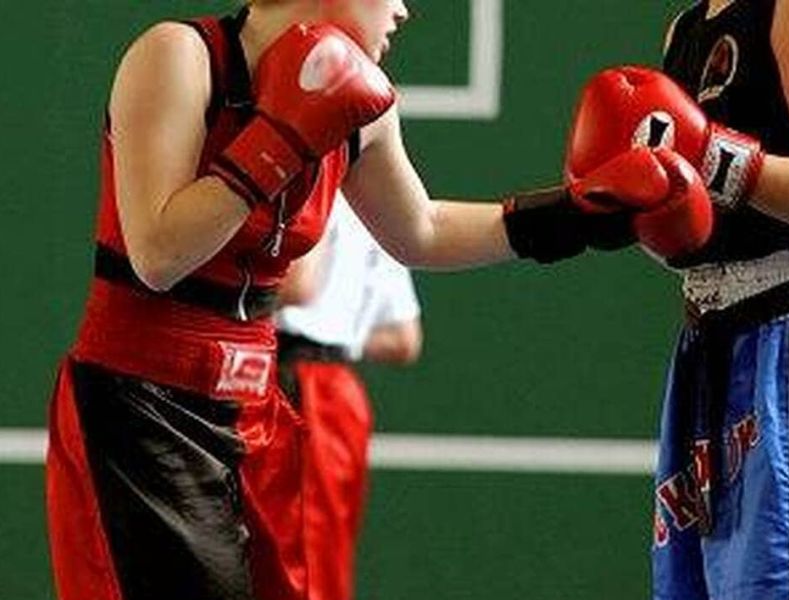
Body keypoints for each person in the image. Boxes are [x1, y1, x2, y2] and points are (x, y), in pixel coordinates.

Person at [43, 1, 712, 599]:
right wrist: (281, 138)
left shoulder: (361, 107)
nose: (404, 11)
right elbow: (159, 255)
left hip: (254, 416)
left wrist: (576, 215)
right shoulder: (182, 57)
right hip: (138, 413)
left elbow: (420, 230)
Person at [567, 0, 789, 597]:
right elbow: (706, 227)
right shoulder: (687, 30)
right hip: (716, 353)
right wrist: (637, 207)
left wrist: (712, 155)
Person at [275, 192, 422, 600]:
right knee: (316, 556)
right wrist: (343, 332)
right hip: (334, 390)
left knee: (300, 557)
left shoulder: (299, 185)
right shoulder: (381, 210)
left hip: (296, 388)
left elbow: (298, 285)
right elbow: (404, 340)